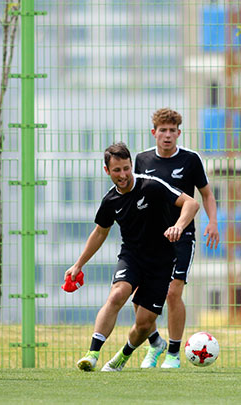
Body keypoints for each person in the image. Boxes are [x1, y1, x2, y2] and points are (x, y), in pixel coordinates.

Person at [70, 142, 200, 372]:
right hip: (131, 257)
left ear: (131, 165)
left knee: (143, 323)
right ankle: (92, 354)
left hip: (161, 263)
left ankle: (123, 356)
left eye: (126, 168)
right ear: (106, 171)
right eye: (117, 170)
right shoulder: (110, 201)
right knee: (117, 294)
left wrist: (178, 226)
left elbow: (191, 203)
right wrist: (79, 264)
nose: (123, 175)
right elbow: (100, 232)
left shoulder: (152, 186)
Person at [133, 108, 219, 368]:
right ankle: (154, 343)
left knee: (172, 293)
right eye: (163, 130)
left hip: (183, 237)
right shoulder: (142, 160)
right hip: (150, 239)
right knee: (137, 294)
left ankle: (172, 354)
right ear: (154, 133)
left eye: (172, 131)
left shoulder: (191, 160)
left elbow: (206, 194)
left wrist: (213, 222)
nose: (167, 135)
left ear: (179, 133)